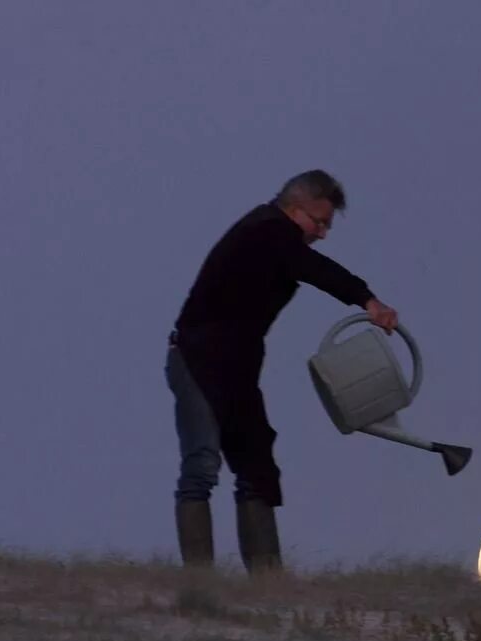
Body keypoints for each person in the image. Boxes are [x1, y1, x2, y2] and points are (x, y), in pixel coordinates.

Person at [165, 169, 398, 574]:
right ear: (294, 209)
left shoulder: (276, 234)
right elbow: (315, 268)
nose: (323, 232)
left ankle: (268, 582)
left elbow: (306, 263)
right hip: (197, 358)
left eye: (327, 224)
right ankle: (199, 581)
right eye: (318, 221)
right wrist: (367, 300)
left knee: (257, 468)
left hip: (237, 368)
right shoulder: (266, 231)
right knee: (201, 463)